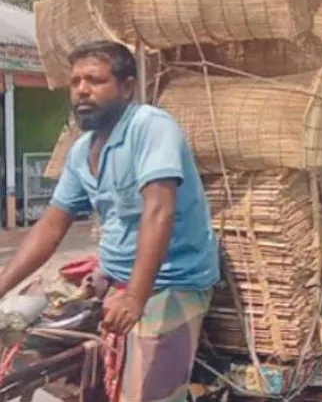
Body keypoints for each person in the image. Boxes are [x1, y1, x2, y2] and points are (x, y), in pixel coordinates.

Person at [0, 41, 220, 402]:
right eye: (75, 82)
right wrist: (3, 284)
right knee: (29, 347)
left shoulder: (150, 126)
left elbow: (159, 210)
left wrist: (135, 297)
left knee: (148, 393)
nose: (82, 90)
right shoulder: (82, 149)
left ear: (127, 87)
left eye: (95, 80)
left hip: (170, 280)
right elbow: (51, 225)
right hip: (112, 276)